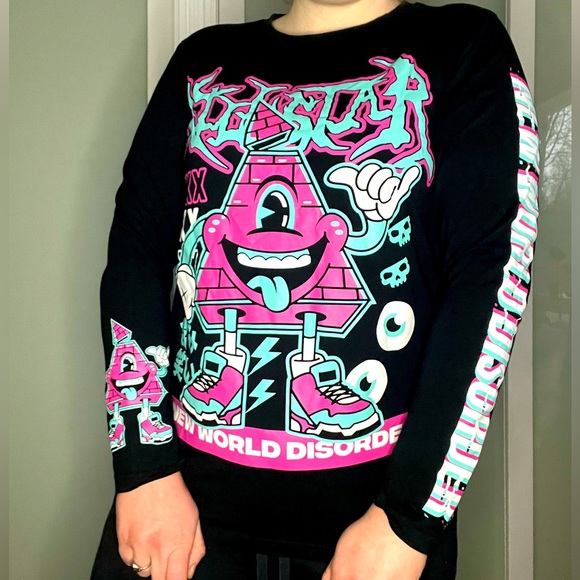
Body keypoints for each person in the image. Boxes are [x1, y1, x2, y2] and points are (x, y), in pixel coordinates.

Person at [91, 0, 540, 578]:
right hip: (178, 509)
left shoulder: (462, 44)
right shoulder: (201, 61)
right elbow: (136, 255)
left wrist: (409, 519)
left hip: (375, 532)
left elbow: (490, 279)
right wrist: (143, 466)